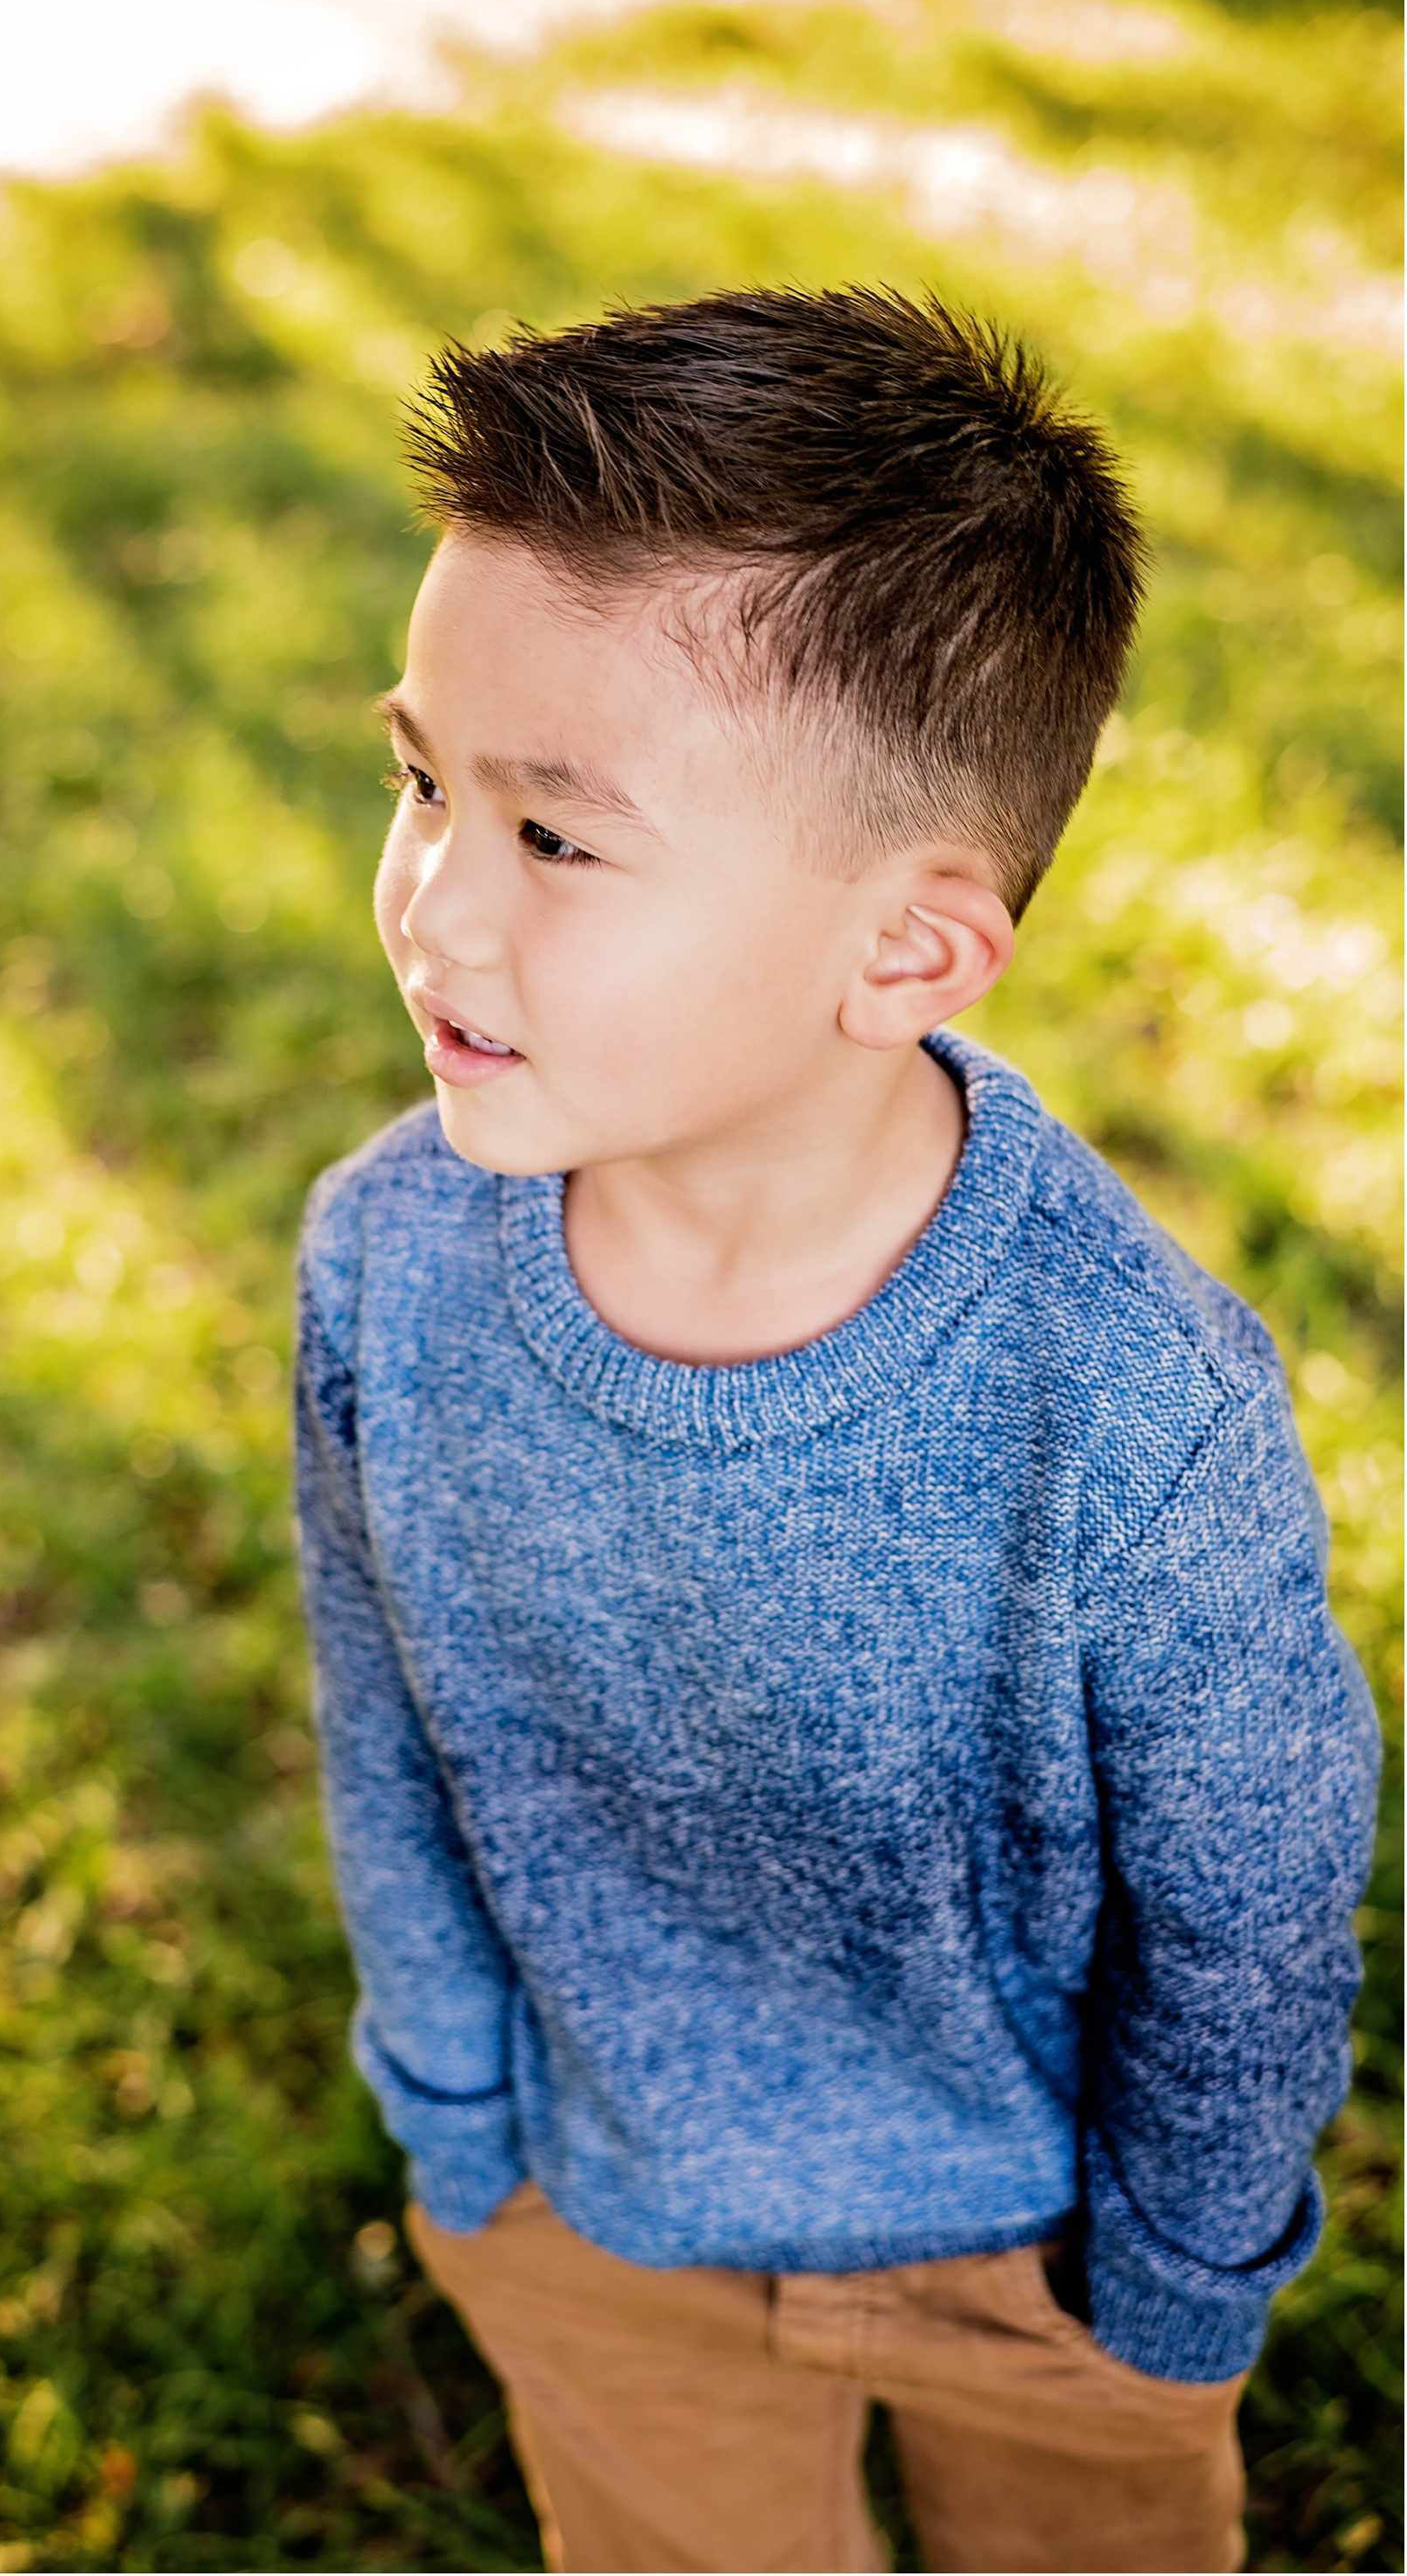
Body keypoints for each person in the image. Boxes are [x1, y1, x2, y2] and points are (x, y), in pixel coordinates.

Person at [291, 288, 1378, 2575]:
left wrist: (1177, 2281)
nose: (434, 903)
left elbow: (1252, 1907)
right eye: (420, 782)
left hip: (1033, 2266)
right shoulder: (386, 1261)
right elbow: (381, 1707)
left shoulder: (1129, 1399)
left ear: (908, 957)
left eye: (556, 841)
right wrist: (459, 2117)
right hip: (597, 2218)